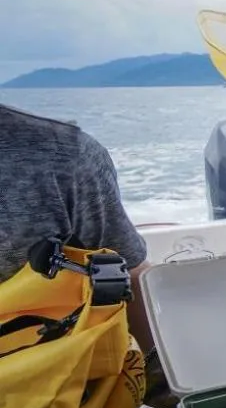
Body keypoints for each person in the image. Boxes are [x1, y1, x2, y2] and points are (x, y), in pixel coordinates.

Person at [0, 104, 151, 352]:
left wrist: (156, 366)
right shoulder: (64, 153)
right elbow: (129, 272)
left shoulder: (64, 156)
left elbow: (126, 273)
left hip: (50, 369)